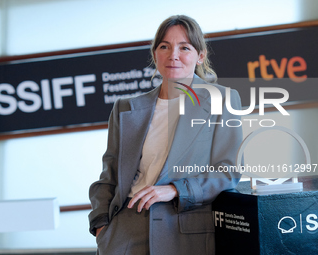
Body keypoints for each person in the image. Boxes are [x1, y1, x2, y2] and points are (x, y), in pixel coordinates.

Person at [88, 15, 243, 255]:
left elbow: (228, 171)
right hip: (124, 233)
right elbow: (109, 175)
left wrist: (175, 189)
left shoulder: (222, 100)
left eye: (184, 47)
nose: (173, 55)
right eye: (164, 47)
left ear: (200, 56)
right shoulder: (125, 107)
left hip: (183, 232)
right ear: (155, 54)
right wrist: (101, 225)